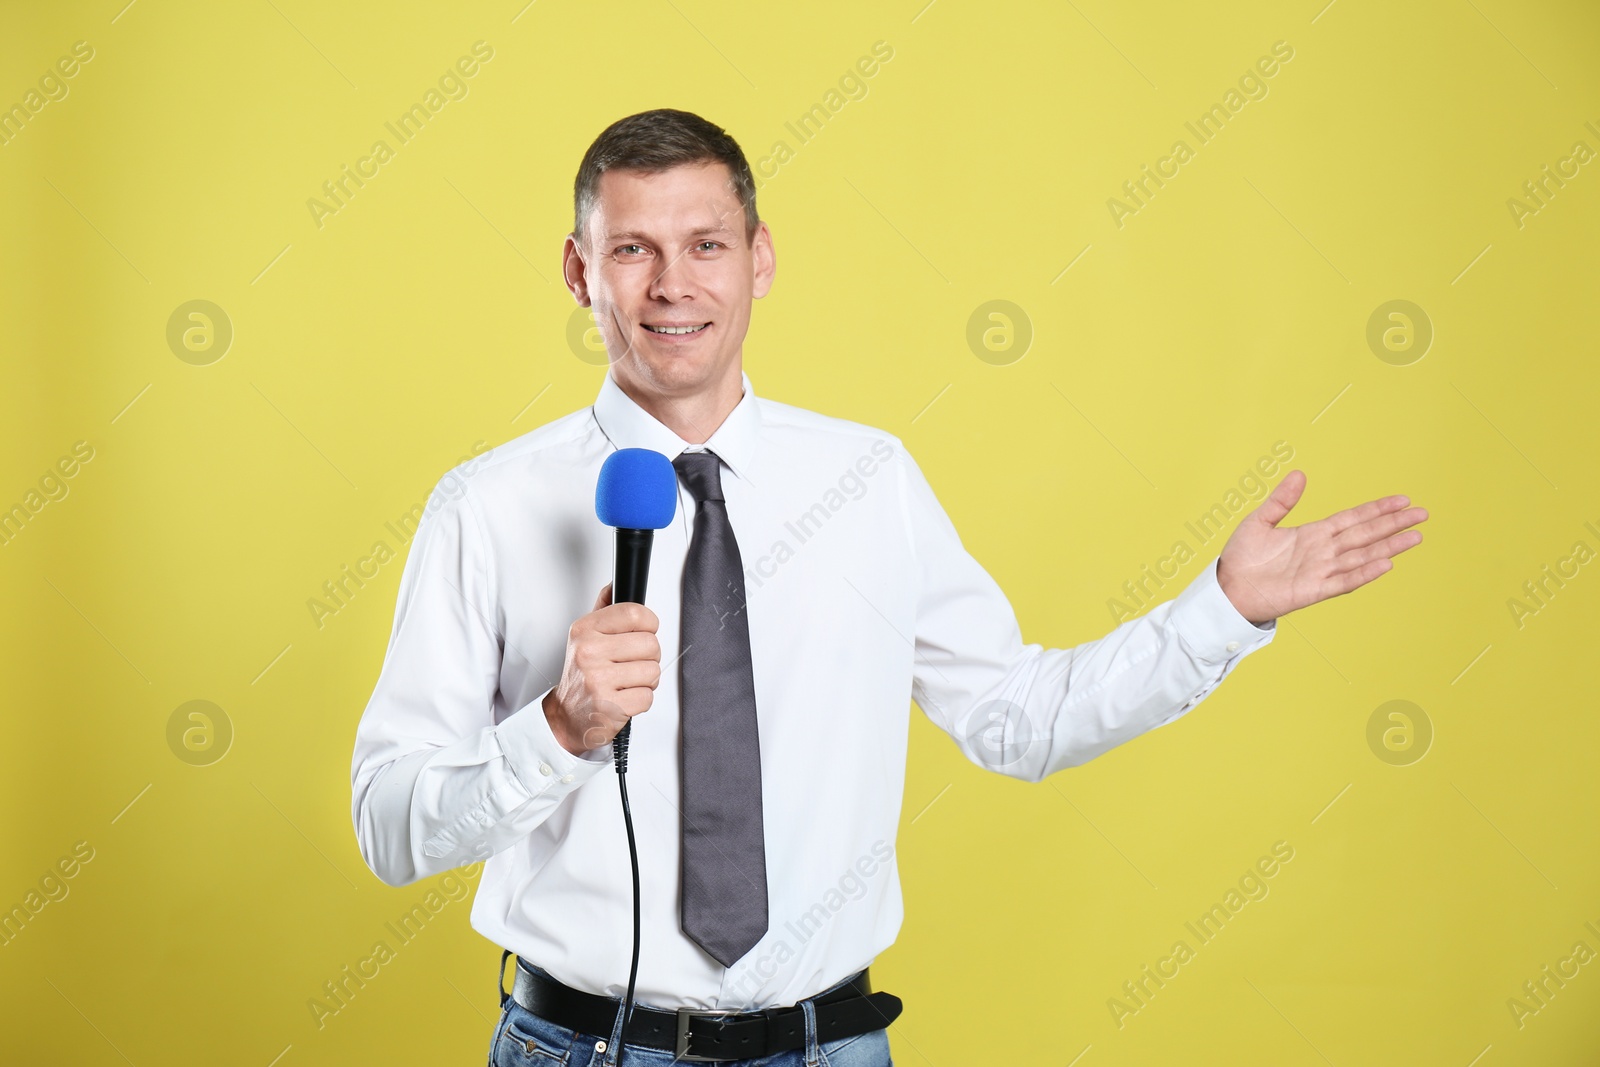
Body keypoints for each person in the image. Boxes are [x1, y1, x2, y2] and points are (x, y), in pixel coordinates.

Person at [349, 108, 1427, 1067]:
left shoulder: (869, 482)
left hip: (830, 1045)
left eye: (705, 245)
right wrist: (560, 726)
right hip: (581, 1045)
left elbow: (1018, 719)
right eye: (632, 249)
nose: (672, 284)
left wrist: (1221, 611)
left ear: (760, 259)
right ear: (581, 273)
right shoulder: (485, 508)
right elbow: (391, 827)